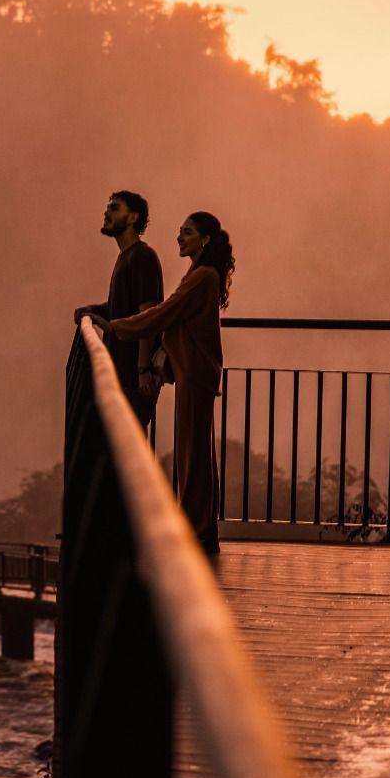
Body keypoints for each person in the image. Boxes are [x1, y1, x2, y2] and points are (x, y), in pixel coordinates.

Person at [91, 211, 232, 557]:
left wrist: (115, 328)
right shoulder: (200, 275)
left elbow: (163, 313)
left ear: (205, 239)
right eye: (179, 231)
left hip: (196, 372)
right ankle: (203, 530)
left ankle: (197, 531)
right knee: (196, 451)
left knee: (193, 453)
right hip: (194, 371)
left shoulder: (202, 278)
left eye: (187, 232)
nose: (179, 237)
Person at [72, 190, 164, 427]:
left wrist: (142, 370)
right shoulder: (126, 257)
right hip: (123, 373)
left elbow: (148, 317)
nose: (106, 212)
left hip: (132, 377)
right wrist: (92, 310)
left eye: (114, 208)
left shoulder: (142, 257)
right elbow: (121, 308)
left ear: (133, 218)